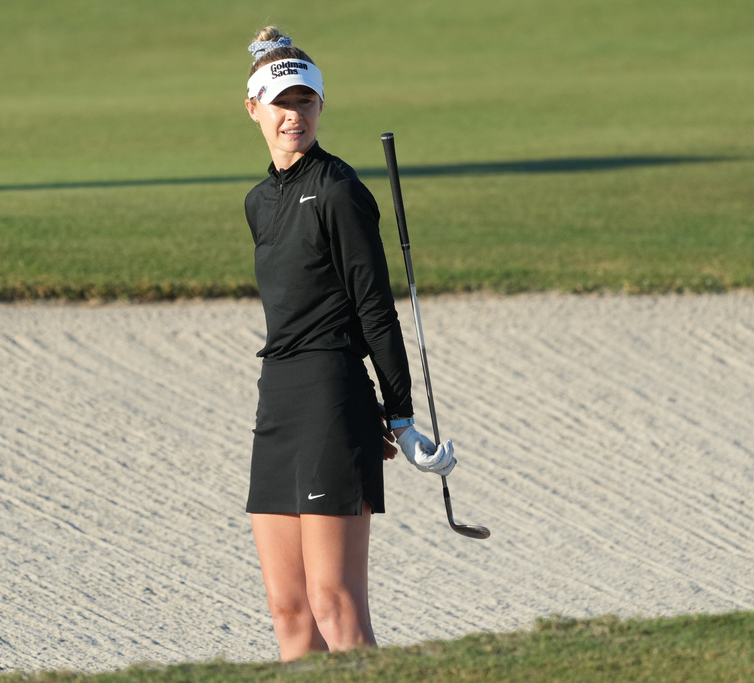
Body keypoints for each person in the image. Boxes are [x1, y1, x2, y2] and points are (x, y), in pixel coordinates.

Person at [242, 26, 457, 661]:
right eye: (281, 104)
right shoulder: (258, 202)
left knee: (334, 598)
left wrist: (400, 415)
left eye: (305, 102)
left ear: (320, 107)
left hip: (332, 396)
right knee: (289, 610)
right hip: (277, 399)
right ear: (253, 107)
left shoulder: (338, 191)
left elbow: (375, 311)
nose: (293, 116)